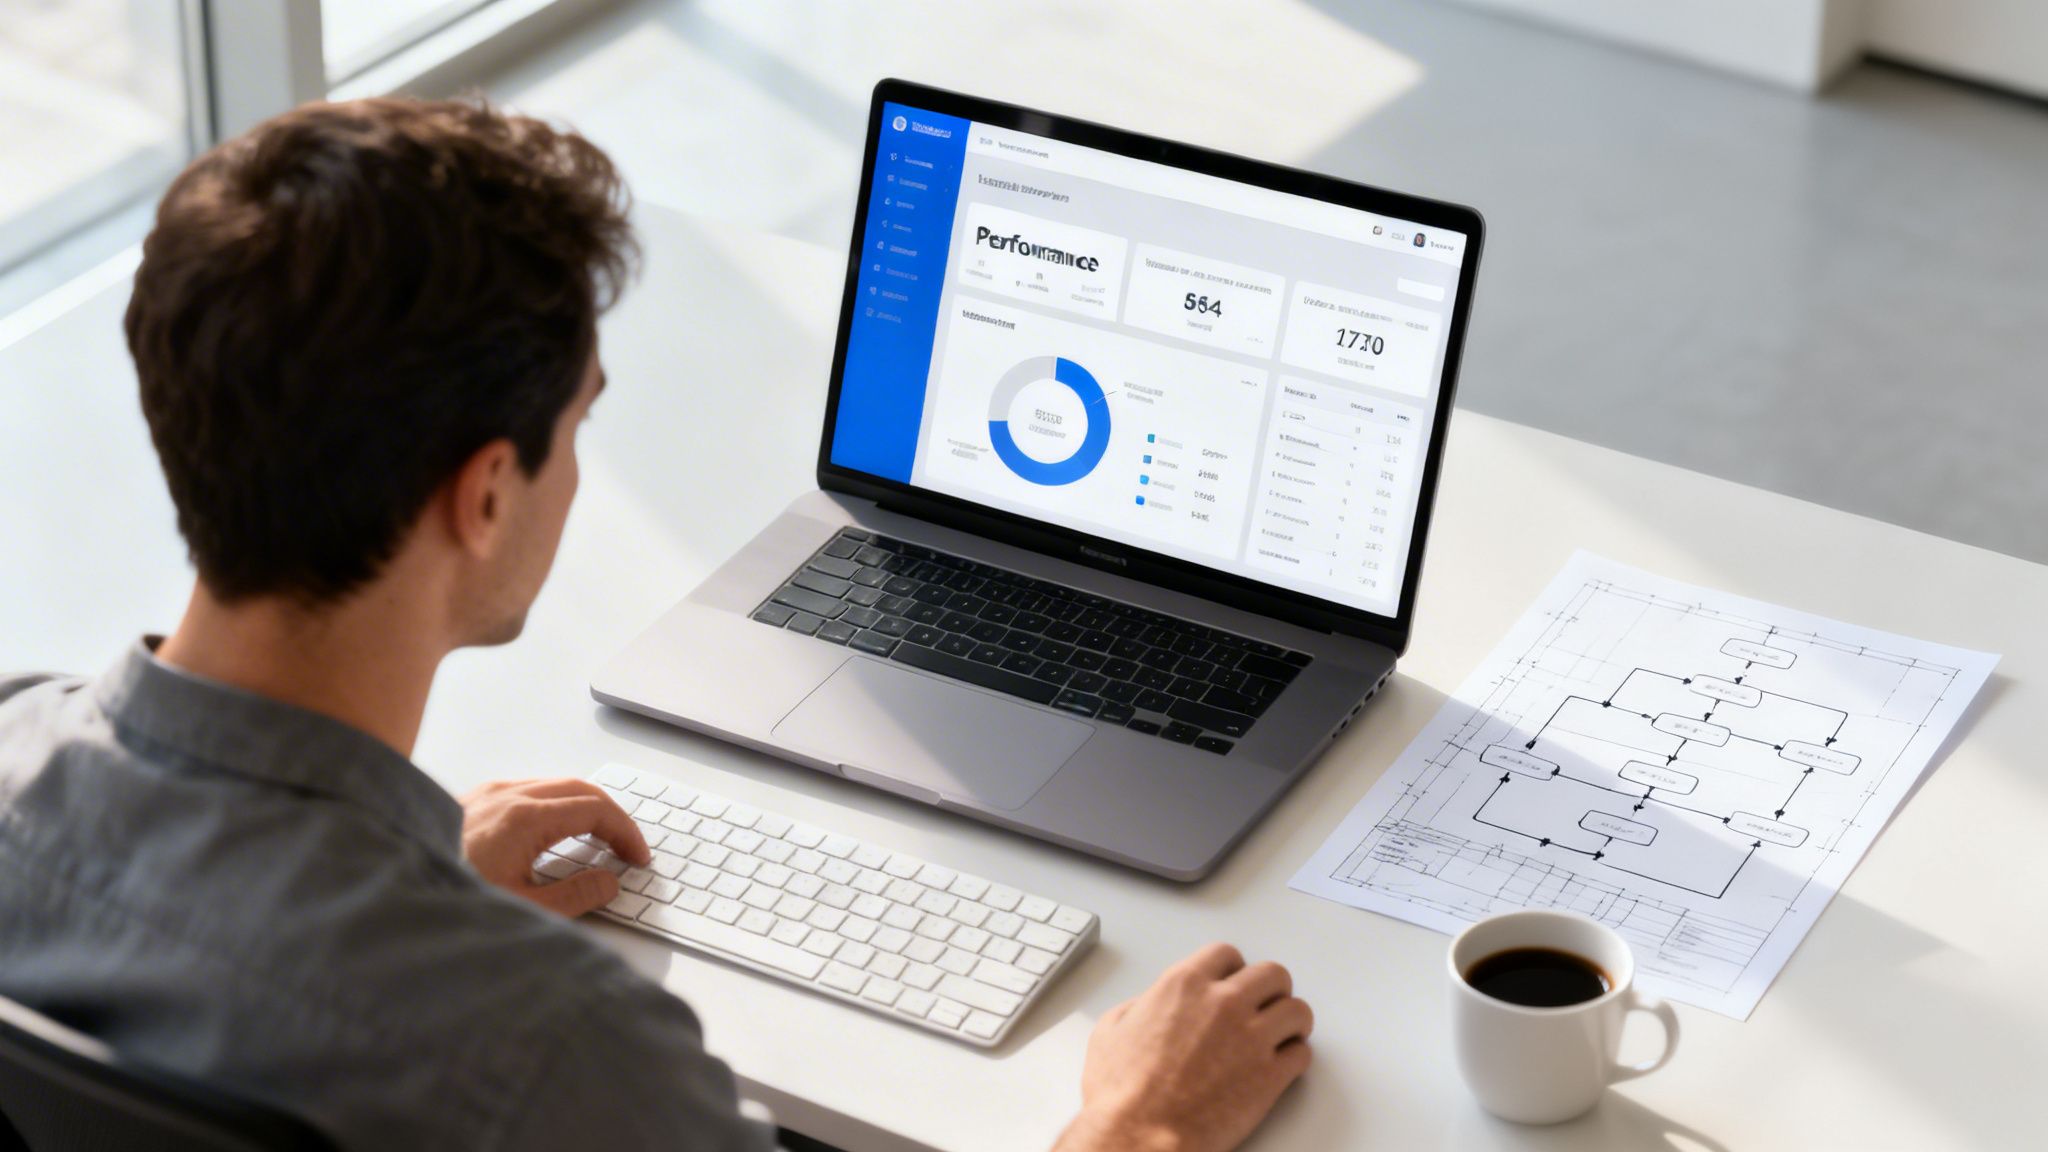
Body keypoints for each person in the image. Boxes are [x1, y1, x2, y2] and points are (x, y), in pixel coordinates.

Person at [0, 97, 1313, 1151]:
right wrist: (1144, 1121)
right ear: (487, 493)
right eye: (578, 422)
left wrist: (408, 881)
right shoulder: (553, 1050)